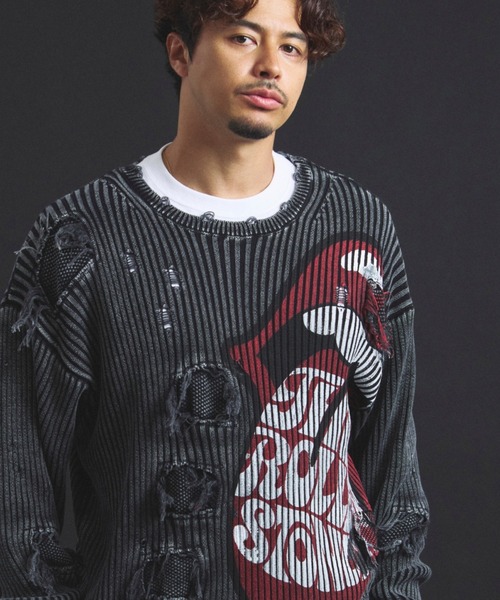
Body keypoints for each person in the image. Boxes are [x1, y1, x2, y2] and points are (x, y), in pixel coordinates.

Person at [0, 0, 431, 598]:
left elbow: (392, 473)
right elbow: (17, 496)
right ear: (180, 52)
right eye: (242, 38)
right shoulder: (81, 239)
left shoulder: (358, 228)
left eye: (291, 47)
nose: (271, 65)